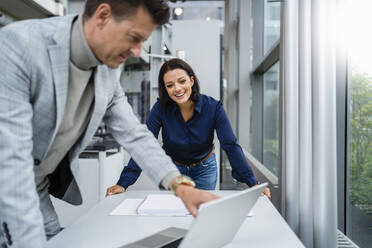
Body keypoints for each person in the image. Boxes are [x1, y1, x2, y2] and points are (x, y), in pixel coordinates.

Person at [0, 1, 218, 247]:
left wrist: (180, 186)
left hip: (34, 186)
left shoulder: (107, 67)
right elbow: (10, 162)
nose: (137, 51)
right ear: (103, 15)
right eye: (134, 37)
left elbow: (135, 135)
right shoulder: (19, 46)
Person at [106, 59, 271, 197]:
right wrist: (124, 183)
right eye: (170, 85)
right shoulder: (160, 109)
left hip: (205, 169)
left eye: (182, 81)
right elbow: (144, 144)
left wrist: (252, 182)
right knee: (173, 216)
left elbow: (230, 145)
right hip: (173, 170)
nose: (177, 88)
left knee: (202, 215)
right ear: (165, 88)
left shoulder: (213, 108)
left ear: (191, 80)